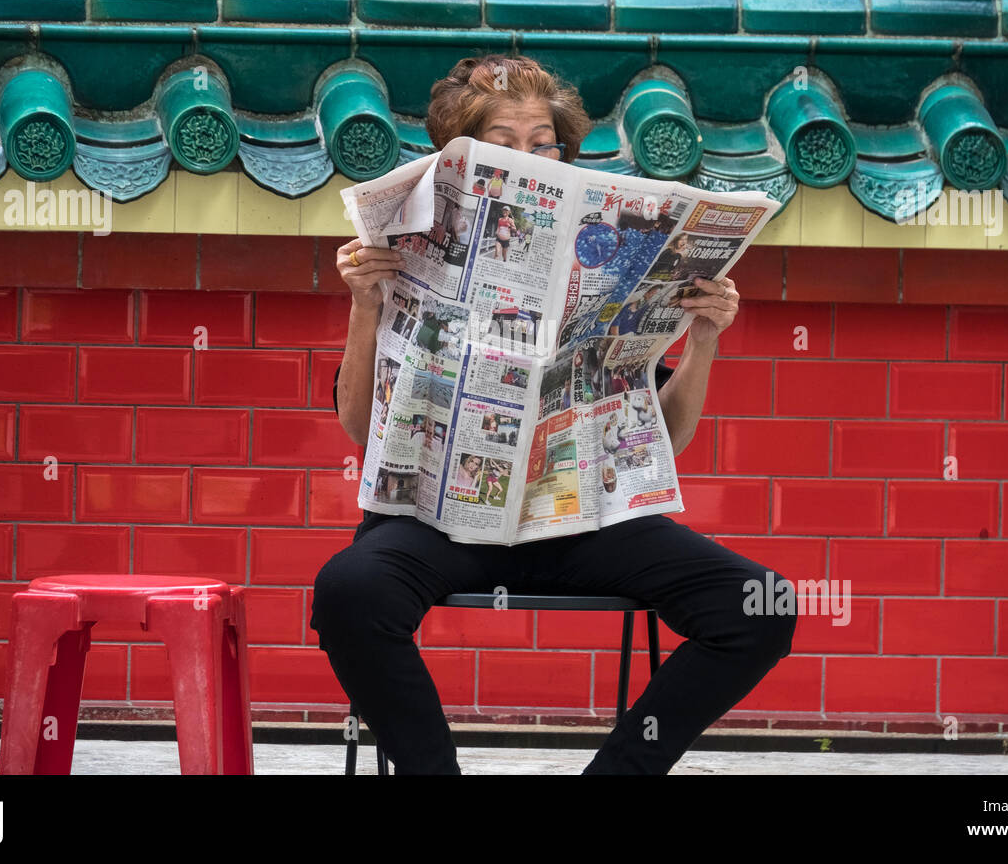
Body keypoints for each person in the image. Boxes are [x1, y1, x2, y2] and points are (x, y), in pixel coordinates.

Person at [320, 53, 794, 775]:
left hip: (579, 517)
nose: (530, 156)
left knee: (760, 604)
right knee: (349, 591)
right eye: (502, 143)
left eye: (543, 143)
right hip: (441, 522)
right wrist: (363, 306)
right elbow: (360, 427)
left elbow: (667, 436)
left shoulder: (600, 252)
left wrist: (702, 341)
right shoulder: (402, 250)